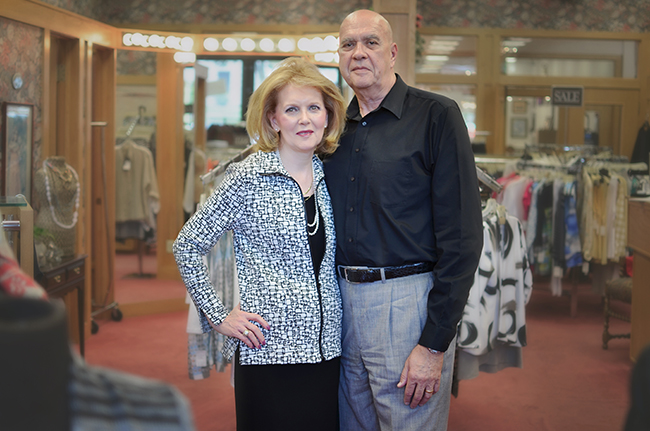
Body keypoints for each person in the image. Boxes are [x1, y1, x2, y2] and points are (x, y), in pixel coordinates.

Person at [322, 9, 483, 430]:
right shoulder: (331, 127)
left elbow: (463, 238)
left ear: (392, 53)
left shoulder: (437, 116)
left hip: (406, 303)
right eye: (348, 44)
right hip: (339, 304)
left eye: (370, 43)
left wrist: (433, 344)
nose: (358, 53)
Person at [173, 57, 346, 431]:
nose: (305, 119)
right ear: (273, 119)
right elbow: (187, 245)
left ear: (328, 116)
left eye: (314, 107)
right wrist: (218, 315)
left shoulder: (333, 172)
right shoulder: (247, 177)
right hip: (267, 349)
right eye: (292, 109)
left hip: (328, 349)